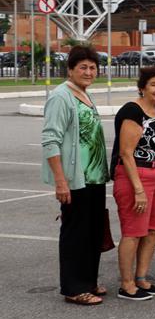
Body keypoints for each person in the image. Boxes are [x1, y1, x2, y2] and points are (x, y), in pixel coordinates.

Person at [42, 46, 109, 305]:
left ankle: (88, 281)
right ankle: (73, 287)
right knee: (75, 233)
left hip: (94, 177)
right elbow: (50, 139)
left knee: (92, 231)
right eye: (83, 67)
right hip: (75, 178)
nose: (88, 72)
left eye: (92, 67)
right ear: (70, 69)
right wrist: (61, 181)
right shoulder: (61, 96)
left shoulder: (83, 94)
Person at [111, 66, 155, 301]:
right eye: (154, 85)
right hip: (136, 177)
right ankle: (126, 285)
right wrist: (138, 189)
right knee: (133, 232)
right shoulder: (133, 110)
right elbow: (126, 153)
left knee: (152, 230)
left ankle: (142, 278)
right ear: (142, 88)